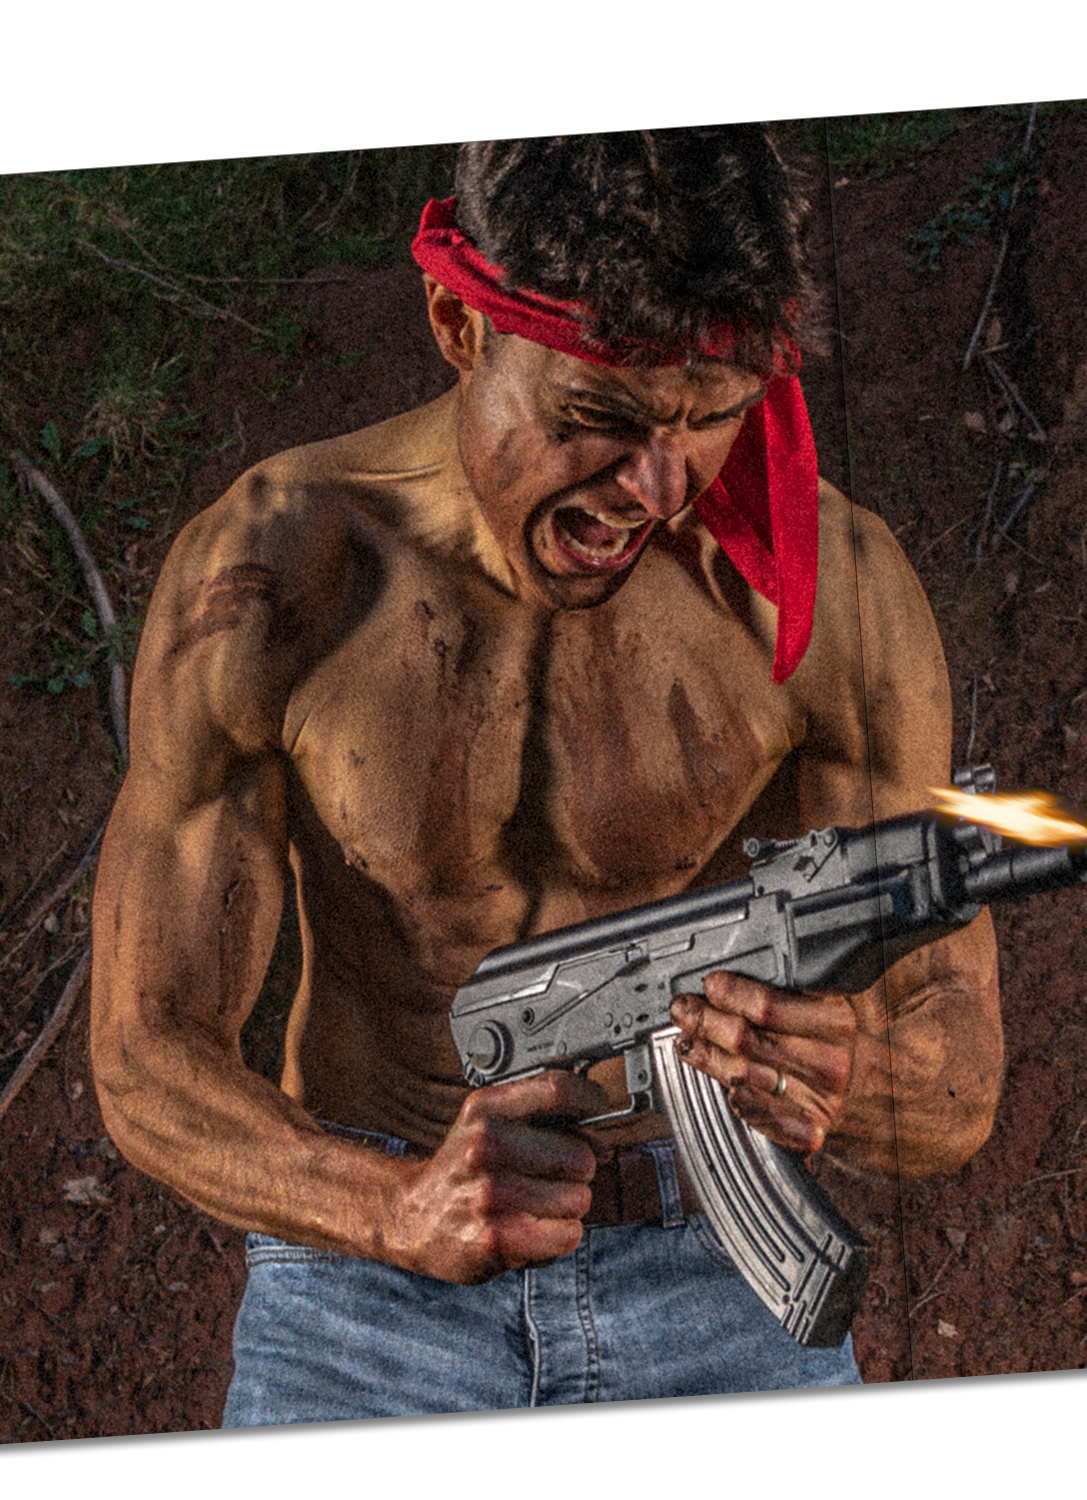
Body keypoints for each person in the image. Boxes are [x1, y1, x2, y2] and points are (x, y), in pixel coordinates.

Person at [88, 128, 1002, 1423]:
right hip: (362, 1287)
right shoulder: (272, 582)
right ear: (459, 324)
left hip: (718, 1268)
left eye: (709, 420)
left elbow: (958, 1067)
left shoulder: (832, 595)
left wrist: (856, 1074)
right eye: (603, 419)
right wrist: (388, 1207)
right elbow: (141, 1050)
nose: (661, 488)